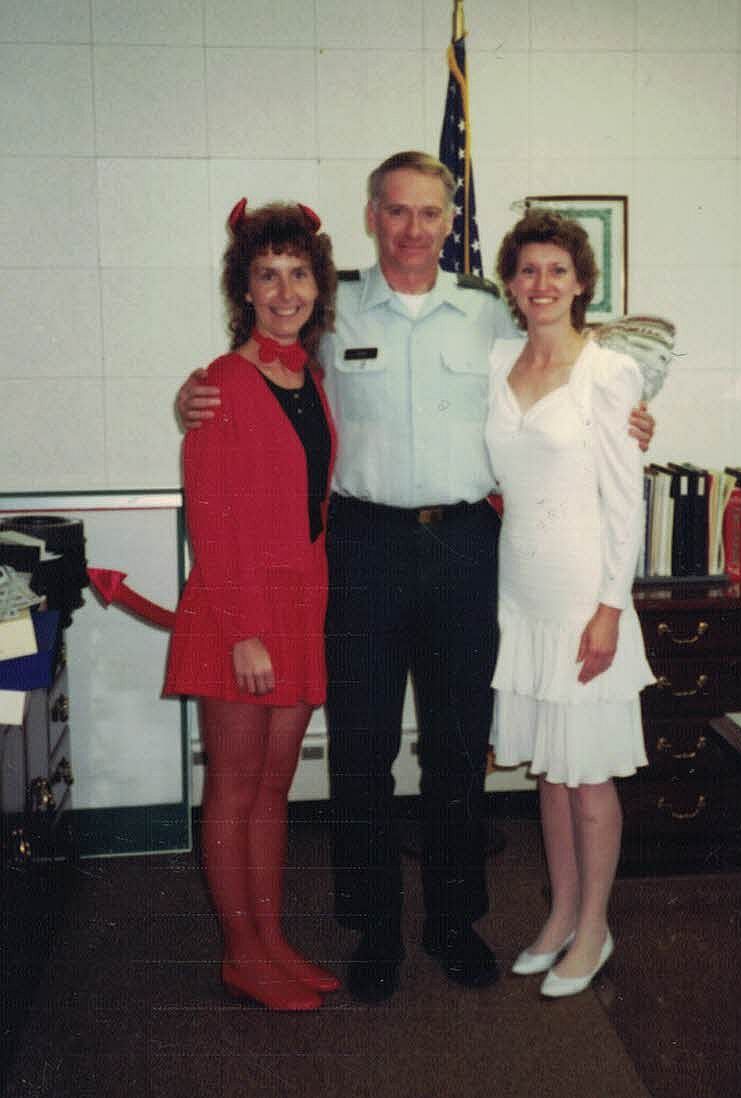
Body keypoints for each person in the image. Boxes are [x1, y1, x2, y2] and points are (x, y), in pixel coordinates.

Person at [176, 151, 654, 1005]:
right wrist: (192, 395)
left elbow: (568, 360)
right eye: (396, 212)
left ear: (449, 220)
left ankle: (452, 921)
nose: (412, 229)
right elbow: (263, 370)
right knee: (361, 752)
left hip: (467, 546)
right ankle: (372, 930)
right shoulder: (332, 307)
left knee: (454, 750)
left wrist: (634, 407)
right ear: (371, 217)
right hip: (359, 549)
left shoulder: (485, 315)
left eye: (429, 213)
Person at [164, 199, 339, 1011]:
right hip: (240, 612)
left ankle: (269, 941)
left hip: (301, 602)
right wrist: (242, 633)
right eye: (266, 274)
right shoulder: (219, 385)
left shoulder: (311, 375)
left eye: (297, 273)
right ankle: (240, 951)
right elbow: (209, 516)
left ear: (317, 283)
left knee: (274, 789)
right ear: (244, 286)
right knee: (234, 788)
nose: (284, 289)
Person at [487, 208, 654, 998]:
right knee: (549, 774)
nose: (541, 283)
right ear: (510, 285)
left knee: (587, 774)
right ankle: (559, 915)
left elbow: (627, 503)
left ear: (581, 282)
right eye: (527, 270)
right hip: (519, 599)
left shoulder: (608, 371)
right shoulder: (494, 361)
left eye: (557, 270)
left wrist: (610, 608)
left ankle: (595, 926)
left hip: (585, 599)